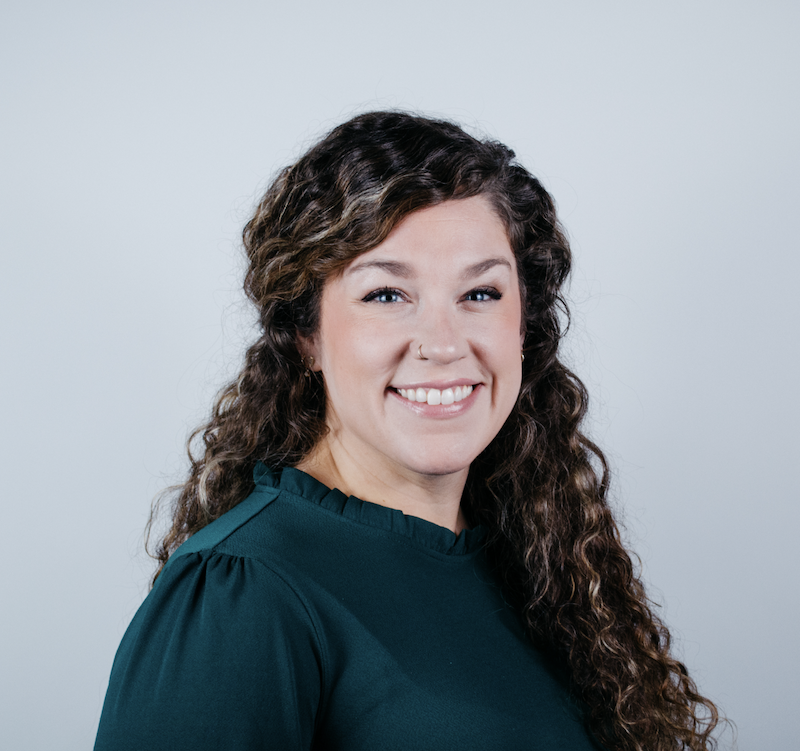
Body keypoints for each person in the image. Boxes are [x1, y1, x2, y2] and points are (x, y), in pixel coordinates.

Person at [94, 111, 722, 750]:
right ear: (306, 334)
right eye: (387, 296)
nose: (444, 345)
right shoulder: (244, 596)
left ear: (525, 324)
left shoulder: (536, 558)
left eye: (480, 293)